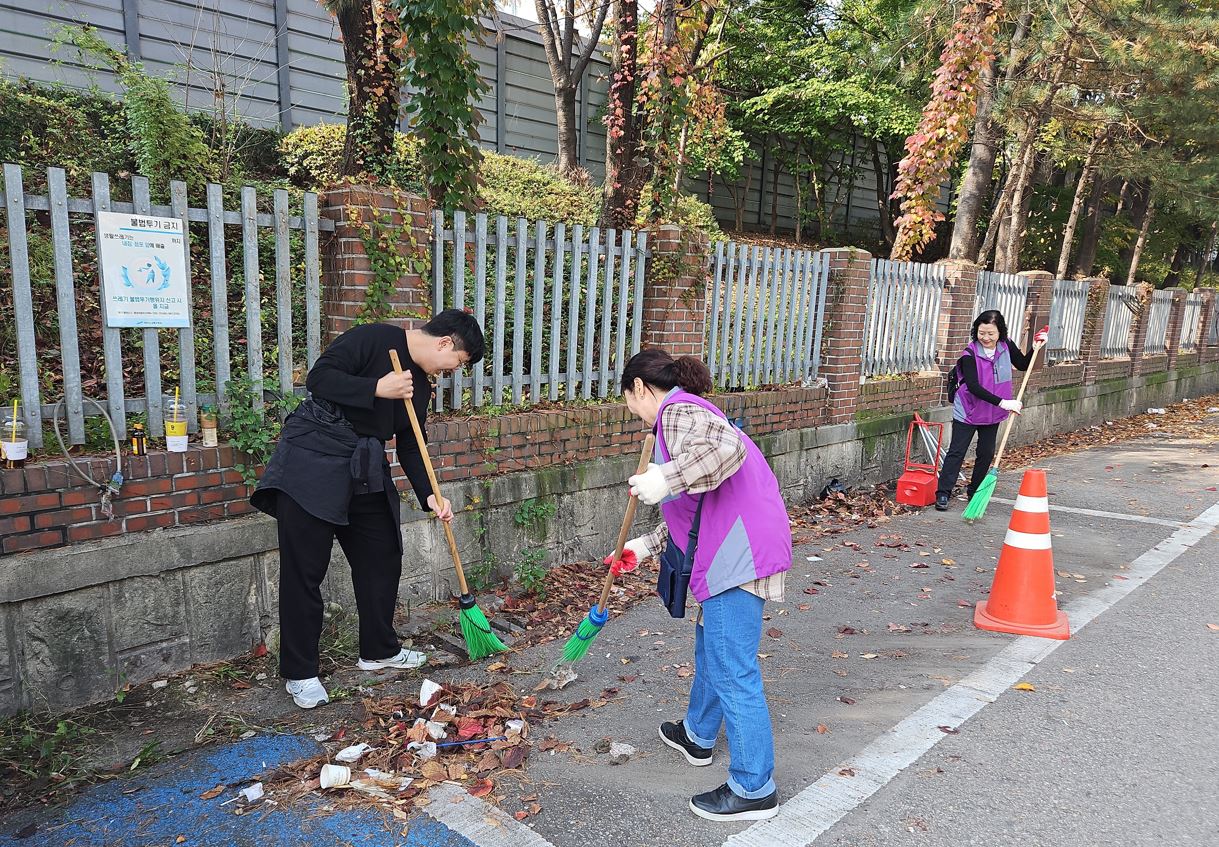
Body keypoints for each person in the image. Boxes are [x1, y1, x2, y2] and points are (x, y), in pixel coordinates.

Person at [251, 310, 484, 709]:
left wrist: (430, 494)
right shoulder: (373, 339)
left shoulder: (420, 388)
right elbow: (319, 380)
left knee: (383, 552)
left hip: (363, 469)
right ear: (446, 343)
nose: (451, 371)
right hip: (312, 459)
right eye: (457, 364)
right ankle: (300, 671)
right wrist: (377, 387)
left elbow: (411, 443)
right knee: (305, 569)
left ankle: (377, 649)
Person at [606, 348, 791, 822]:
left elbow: (726, 451)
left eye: (629, 400)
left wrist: (665, 477)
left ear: (641, 388)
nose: (633, 411)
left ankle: (754, 788)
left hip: (737, 551)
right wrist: (644, 547)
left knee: (734, 668)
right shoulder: (682, 416)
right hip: (728, 544)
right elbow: (695, 508)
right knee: (715, 648)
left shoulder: (678, 411)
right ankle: (698, 734)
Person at [936, 310, 1047, 511]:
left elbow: (1022, 364)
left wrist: (1035, 347)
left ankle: (975, 492)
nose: (985, 338)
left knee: (986, 453)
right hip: (969, 410)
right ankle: (943, 493)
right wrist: (1004, 403)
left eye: (991, 334)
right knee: (957, 452)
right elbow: (974, 387)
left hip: (992, 412)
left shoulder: (1006, 345)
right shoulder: (969, 354)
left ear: (1000, 333)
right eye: (981, 333)